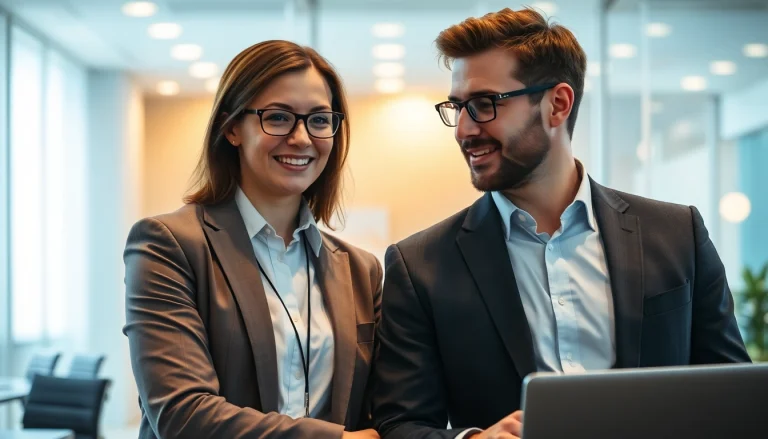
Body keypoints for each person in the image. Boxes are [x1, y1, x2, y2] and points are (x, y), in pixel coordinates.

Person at [371, 7, 751, 439]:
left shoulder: (677, 233)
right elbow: (400, 423)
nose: (463, 130)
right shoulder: (419, 265)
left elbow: (732, 396)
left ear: (557, 104)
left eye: (482, 105)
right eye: (457, 107)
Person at [123, 40, 381, 439]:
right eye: (278, 118)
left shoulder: (362, 270)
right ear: (231, 128)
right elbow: (182, 415)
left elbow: (388, 407)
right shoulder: (168, 245)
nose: (301, 138)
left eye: (318, 119)